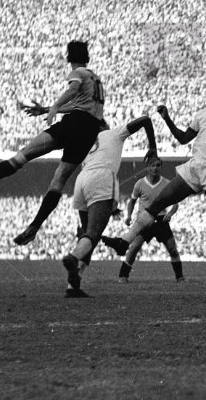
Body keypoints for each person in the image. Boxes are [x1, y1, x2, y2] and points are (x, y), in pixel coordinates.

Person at [103, 80, 206, 295]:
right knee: (157, 203)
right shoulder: (203, 114)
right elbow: (183, 138)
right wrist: (167, 118)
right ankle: (124, 242)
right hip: (195, 167)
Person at [0, 40, 106, 247]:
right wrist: (46, 109)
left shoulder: (78, 73)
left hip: (74, 124)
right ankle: (34, 227)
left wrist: (54, 106)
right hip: (88, 132)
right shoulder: (96, 79)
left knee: (23, 155)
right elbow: (81, 105)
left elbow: (73, 90)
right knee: (59, 180)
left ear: (69, 57)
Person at [62, 115, 158, 298]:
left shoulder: (87, 143)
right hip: (102, 179)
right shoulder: (113, 133)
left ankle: (72, 286)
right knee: (93, 234)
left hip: (81, 181)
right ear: (103, 125)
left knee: (87, 235)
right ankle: (73, 258)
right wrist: (152, 147)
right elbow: (146, 120)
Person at [117, 158, 185, 283]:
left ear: (161, 167)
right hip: (144, 220)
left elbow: (175, 203)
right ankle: (123, 276)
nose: (155, 168)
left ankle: (180, 277)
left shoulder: (166, 183)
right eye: (152, 165)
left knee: (172, 249)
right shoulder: (140, 183)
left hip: (160, 220)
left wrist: (170, 213)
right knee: (134, 247)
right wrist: (129, 216)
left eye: (158, 165)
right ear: (147, 167)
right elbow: (132, 201)